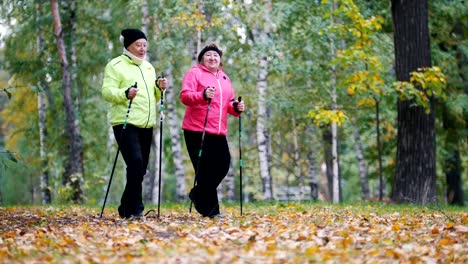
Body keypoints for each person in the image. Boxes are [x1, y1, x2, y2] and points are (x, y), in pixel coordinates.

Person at [102, 28, 167, 218]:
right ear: (128, 45)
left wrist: (159, 88)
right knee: (136, 163)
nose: (142, 49)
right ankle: (136, 208)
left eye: (145, 45)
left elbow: (153, 97)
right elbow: (106, 91)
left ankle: (125, 208)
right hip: (125, 121)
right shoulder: (115, 65)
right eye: (138, 45)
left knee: (140, 169)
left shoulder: (148, 67)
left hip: (146, 123)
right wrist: (124, 94)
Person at [180, 43, 245, 218]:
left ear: (220, 60)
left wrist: (236, 107)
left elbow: (228, 103)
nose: (212, 58)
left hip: (218, 130)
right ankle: (211, 210)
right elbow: (185, 96)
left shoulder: (224, 77)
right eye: (208, 55)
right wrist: (202, 96)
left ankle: (197, 193)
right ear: (202, 59)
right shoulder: (195, 73)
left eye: (215, 55)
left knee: (223, 165)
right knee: (204, 170)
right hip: (197, 129)